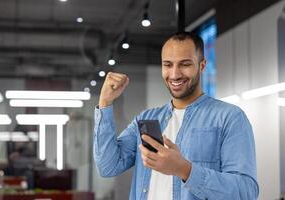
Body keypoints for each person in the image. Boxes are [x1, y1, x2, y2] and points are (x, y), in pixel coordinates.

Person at [93, 31, 259, 200]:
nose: (174, 74)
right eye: (168, 65)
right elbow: (108, 166)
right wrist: (105, 102)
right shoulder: (148, 119)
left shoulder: (229, 118)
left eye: (185, 64)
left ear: (202, 66)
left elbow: (246, 192)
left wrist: (185, 170)